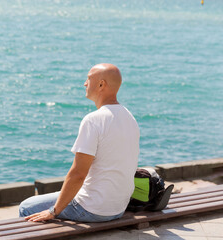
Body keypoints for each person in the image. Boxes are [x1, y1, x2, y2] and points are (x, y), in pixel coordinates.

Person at [19, 63, 140, 222]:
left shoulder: (93, 120)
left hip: (93, 209)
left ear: (101, 84)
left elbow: (78, 174)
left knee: (27, 207)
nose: (85, 83)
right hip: (118, 208)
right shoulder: (129, 117)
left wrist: (54, 211)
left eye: (89, 79)